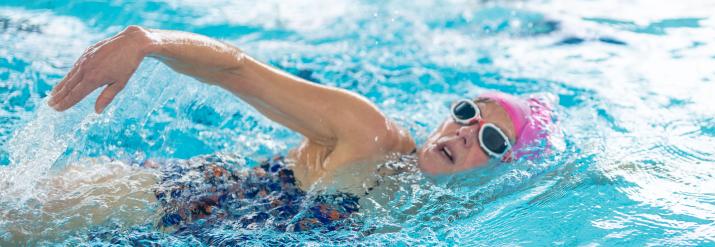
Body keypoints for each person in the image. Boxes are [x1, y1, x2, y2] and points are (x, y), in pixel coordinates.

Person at [41, 25, 558, 236]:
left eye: (493, 139)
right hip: (152, 200)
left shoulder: (457, 214)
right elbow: (238, 68)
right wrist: (147, 42)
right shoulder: (368, 133)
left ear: (503, 171)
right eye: (469, 112)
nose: (468, 132)